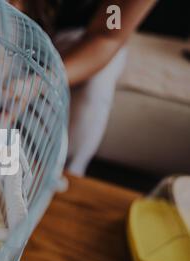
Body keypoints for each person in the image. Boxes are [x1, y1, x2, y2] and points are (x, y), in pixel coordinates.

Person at [9, 0, 156, 176]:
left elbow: (107, 37)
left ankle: (62, 176)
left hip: (83, 33)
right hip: (20, 18)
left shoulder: (112, 12)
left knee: (95, 87)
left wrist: (37, 84)